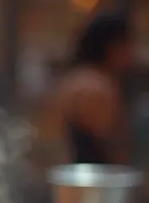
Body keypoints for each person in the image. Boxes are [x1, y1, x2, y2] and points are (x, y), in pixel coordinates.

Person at [53, 13, 133, 165]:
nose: (131, 53)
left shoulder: (75, 77)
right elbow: (109, 145)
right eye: (127, 46)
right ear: (113, 47)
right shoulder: (96, 86)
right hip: (94, 174)